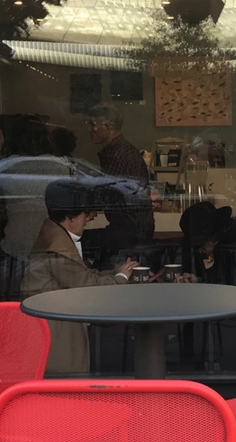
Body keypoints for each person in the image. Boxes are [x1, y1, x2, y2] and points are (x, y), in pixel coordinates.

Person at [22, 181, 137, 376]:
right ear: (72, 217)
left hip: (50, 325)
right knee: (64, 390)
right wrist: (120, 278)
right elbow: (86, 286)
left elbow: (81, 274)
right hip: (56, 333)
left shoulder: (54, 236)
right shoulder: (58, 249)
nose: (89, 219)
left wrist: (114, 273)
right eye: (86, 214)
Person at [85, 104, 154, 253]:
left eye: (92, 124)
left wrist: (82, 207)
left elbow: (106, 193)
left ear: (107, 126)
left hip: (130, 233)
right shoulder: (119, 151)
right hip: (130, 229)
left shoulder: (119, 155)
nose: (89, 129)